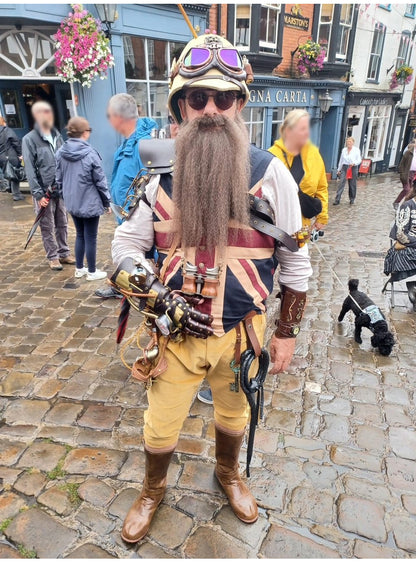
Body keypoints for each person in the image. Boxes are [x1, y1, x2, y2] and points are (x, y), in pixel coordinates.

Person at [110, 33, 312, 543]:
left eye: (224, 98)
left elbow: (296, 260)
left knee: (235, 409)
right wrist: (159, 299)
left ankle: (229, 473)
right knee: (160, 424)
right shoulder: (158, 182)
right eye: (198, 98)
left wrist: (285, 332)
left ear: (240, 105)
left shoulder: (273, 179)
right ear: (180, 108)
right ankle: (153, 490)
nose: (211, 109)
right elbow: (122, 252)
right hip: (175, 336)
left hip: (242, 332)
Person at [95, 94, 157, 299]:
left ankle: (145, 291)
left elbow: (152, 184)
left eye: (110, 116)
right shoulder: (129, 143)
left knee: (142, 256)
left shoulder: (145, 145)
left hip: (138, 216)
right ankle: (124, 286)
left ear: (118, 116)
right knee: (124, 249)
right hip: (123, 214)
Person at [56, 117, 111, 281]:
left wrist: (65, 197)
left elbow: (58, 179)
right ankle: (92, 271)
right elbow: (100, 181)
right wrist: (106, 202)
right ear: (85, 133)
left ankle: (79, 269)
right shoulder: (90, 153)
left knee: (80, 234)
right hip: (90, 202)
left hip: (72, 201)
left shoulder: (60, 152)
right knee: (91, 237)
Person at [22, 101, 75, 271]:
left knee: (63, 222)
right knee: (47, 226)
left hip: (60, 189)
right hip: (44, 191)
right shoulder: (29, 139)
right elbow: (30, 169)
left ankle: (64, 252)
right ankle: (52, 256)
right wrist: (38, 195)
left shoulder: (57, 135)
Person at [268, 109, 328, 231]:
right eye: (301, 129)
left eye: (307, 128)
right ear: (288, 131)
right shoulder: (272, 155)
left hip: (302, 226)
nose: (306, 133)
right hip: (276, 226)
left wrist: (321, 217)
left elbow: (321, 188)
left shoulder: (313, 154)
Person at [384, 182, 416, 311]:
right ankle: (413, 289)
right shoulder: (407, 206)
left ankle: (414, 288)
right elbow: (400, 234)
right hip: (406, 248)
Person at [0, 116, 25, 201]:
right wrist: (20, 153)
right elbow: (15, 142)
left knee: (7, 172)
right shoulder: (6, 130)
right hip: (10, 155)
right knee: (14, 174)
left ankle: (9, 188)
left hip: (1, 157)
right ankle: (16, 194)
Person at [334, 137, 362, 205]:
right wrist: (339, 169)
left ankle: (352, 198)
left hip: (353, 167)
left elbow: (359, 160)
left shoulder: (356, 150)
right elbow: (341, 160)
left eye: (350, 142)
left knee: (352, 184)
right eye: (347, 142)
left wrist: (354, 163)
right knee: (341, 183)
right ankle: (337, 199)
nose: (348, 143)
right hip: (345, 167)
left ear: (353, 142)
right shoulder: (344, 150)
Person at [394, 143, 415, 209]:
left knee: (412, 191)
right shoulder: (408, 152)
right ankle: (396, 202)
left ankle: (407, 205)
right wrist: (402, 173)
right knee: (407, 189)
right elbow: (401, 164)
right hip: (407, 173)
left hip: (414, 173)